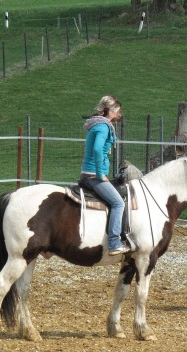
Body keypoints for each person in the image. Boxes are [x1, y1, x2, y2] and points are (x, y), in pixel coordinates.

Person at [80, 95, 130, 255]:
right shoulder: (103, 126)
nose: (119, 114)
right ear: (111, 110)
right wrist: (101, 174)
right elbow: (97, 149)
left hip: (87, 173)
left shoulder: (96, 125)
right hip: (94, 175)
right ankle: (114, 242)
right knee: (118, 203)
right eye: (118, 110)